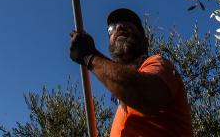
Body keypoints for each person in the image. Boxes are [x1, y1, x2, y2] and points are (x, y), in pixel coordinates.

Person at [69, 8, 193, 136]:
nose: (119, 27)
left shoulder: (160, 65)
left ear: (146, 42)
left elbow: (147, 96)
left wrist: (90, 57)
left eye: (128, 24)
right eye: (111, 28)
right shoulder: (124, 102)